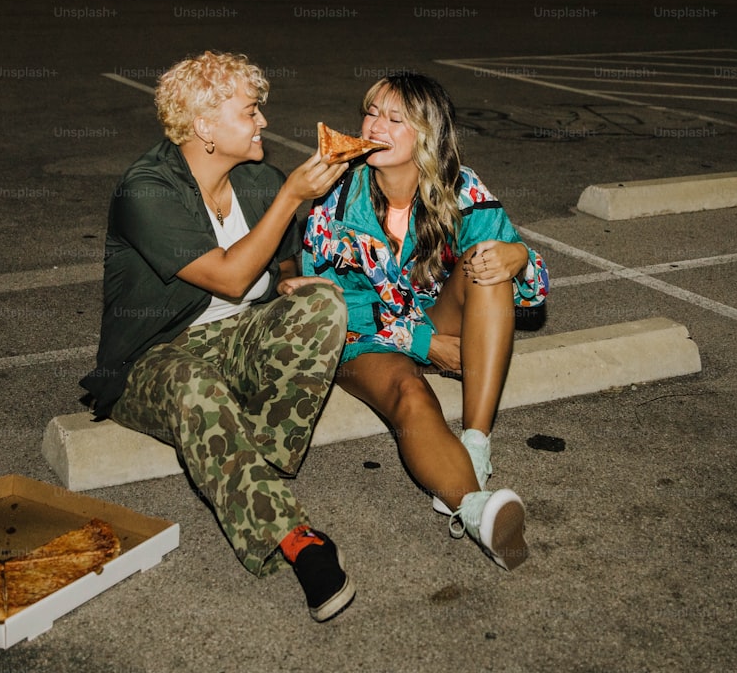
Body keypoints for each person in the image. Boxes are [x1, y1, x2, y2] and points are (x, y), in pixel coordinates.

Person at [80, 51, 355, 621]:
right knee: (194, 387)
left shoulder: (257, 178)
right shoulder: (147, 190)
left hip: (235, 338)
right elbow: (230, 276)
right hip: (154, 359)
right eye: (250, 111)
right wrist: (292, 199)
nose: (262, 123)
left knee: (323, 301)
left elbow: (282, 260)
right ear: (204, 127)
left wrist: (288, 282)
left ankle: (255, 469)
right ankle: (297, 539)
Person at [300, 72, 549, 571]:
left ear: (427, 136)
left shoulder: (461, 187)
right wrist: (425, 343)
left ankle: (475, 444)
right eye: (371, 112)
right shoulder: (336, 197)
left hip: (435, 315)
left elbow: (534, 289)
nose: (376, 125)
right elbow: (331, 309)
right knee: (411, 395)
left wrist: (518, 255)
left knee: (489, 262)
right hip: (362, 341)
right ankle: (477, 512)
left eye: (396, 119)